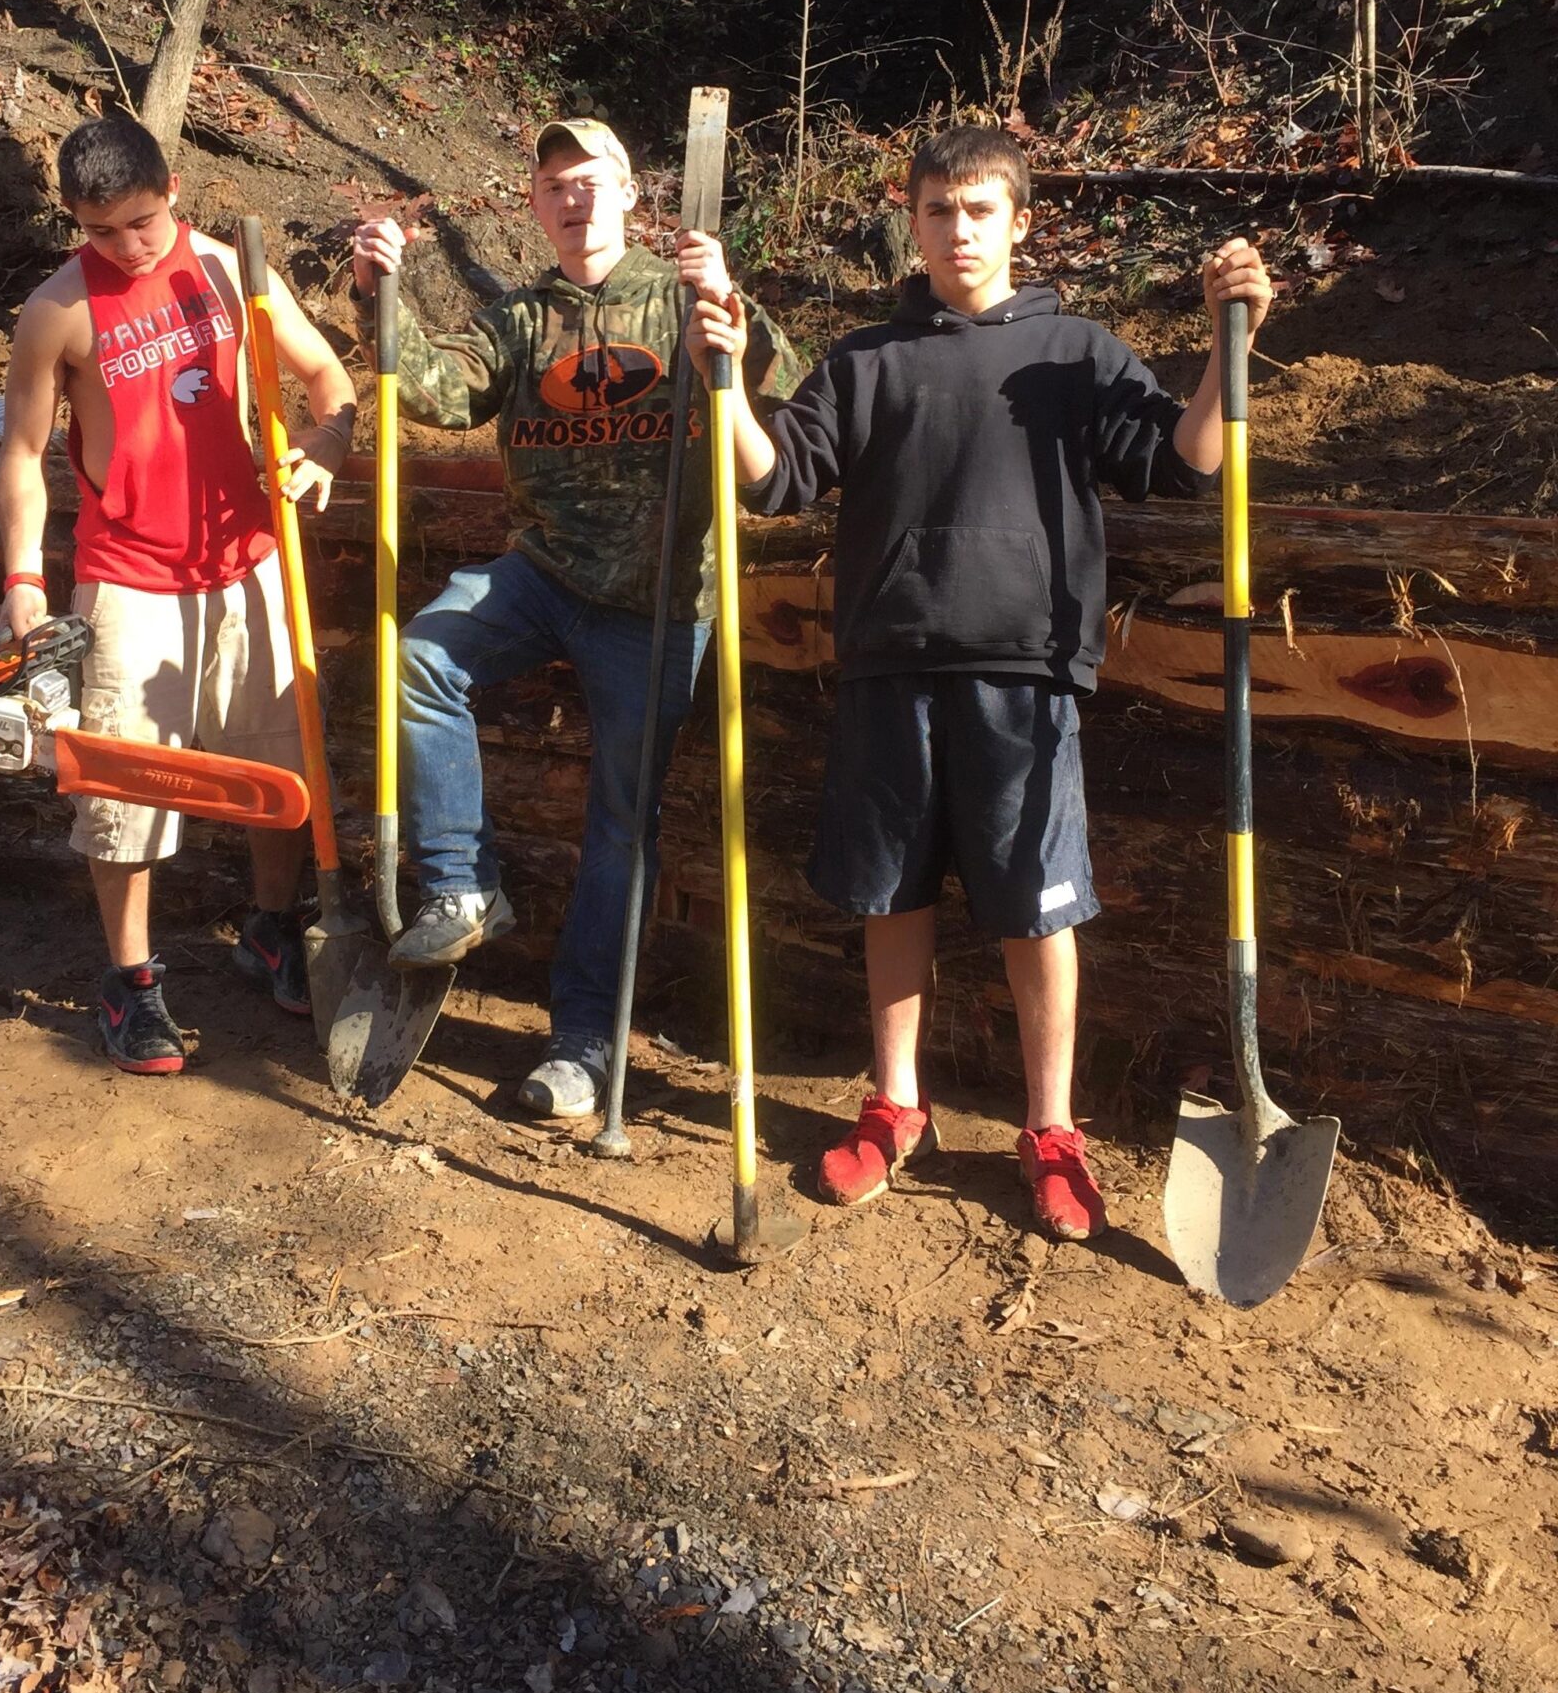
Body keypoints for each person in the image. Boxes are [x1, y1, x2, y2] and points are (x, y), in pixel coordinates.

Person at [681, 122, 1271, 1239]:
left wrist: (1223, 347)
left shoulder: (1075, 353)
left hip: (1029, 675)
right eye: (938, 211)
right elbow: (776, 481)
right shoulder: (865, 359)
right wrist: (727, 386)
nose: (960, 232)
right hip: (887, 668)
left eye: (981, 211)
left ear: (1020, 223)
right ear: (911, 222)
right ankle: (897, 1106)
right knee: (891, 896)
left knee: (1037, 911)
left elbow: (1184, 461)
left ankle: (1051, 1134)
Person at [351, 119, 802, 1119]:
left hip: (662, 596)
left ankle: (585, 1049)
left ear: (631, 192)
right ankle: (464, 886)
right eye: (555, 184)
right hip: (542, 574)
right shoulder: (521, 321)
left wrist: (728, 305)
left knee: (620, 826)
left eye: (592, 180)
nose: (575, 199)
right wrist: (380, 293)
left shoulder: (683, 291)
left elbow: (787, 385)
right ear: (535, 204)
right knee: (419, 657)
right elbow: (436, 386)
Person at [0, 116, 355, 1074]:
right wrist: (24, 577)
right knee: (123, 791)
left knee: (280, 769)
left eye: (143, 223)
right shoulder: (57, 308)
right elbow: (23, 452)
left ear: (176, 188)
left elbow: (330, 381)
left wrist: (323, 450)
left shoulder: (231, 271)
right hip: (127, 573)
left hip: (248, 559)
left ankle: (273, 929)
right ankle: (132, 983)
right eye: (102, 230)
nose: (129, 247)